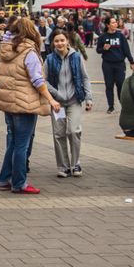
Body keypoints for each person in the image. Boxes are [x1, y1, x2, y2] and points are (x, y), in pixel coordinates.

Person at [0, 17, 61, 194]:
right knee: (21, 145)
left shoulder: (4, 49)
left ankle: (4, 179)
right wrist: (51, 99)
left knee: (12, 142)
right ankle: (19, 183)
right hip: (25, 104)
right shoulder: (29, 52)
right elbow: (38, 80)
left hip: (8, 103)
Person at [44, 32, 93, 178]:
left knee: (73, 131)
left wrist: (88, 97)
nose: (60, 43)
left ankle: (75, 163)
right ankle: (63, 166)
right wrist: (55, 94)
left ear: (67, 41)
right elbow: (43, 80)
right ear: (53, 43)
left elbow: (85, 78)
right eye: (56, 41)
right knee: (59, 134)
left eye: (62, 40)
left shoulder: (76, 57)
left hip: (74, 100)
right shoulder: (49, 59)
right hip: (57, 103)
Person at [95, 16, 133, 114]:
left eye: (115, 22)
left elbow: (126, 49)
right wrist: (104, 49)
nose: (115, 24)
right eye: (112, 23)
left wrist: (131, 62)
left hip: (120, 64)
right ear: (108, 25)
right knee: (109, 85)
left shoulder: (120, 36)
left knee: (120, 85)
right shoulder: (103, 37)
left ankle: (122, 104)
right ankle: (110, 106)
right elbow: (98, 50)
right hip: (107, 64)